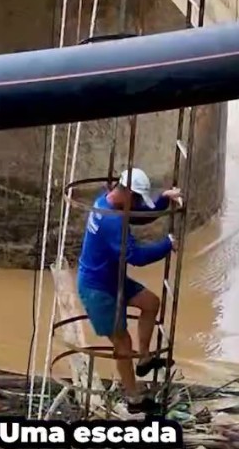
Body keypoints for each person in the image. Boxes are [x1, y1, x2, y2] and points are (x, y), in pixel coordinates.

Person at [76, 168, 184, 414]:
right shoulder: (112, 222)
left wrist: (164, 198)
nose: (136, 204)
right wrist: (167, 245)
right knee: (123, 344)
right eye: (136, 199)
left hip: (113, 280)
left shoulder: (105, 202)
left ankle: (144, 359)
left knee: (151, 303)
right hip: (97, 289)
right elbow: (136, 257)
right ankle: (134, 399)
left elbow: (140, 215)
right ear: (127, 193)